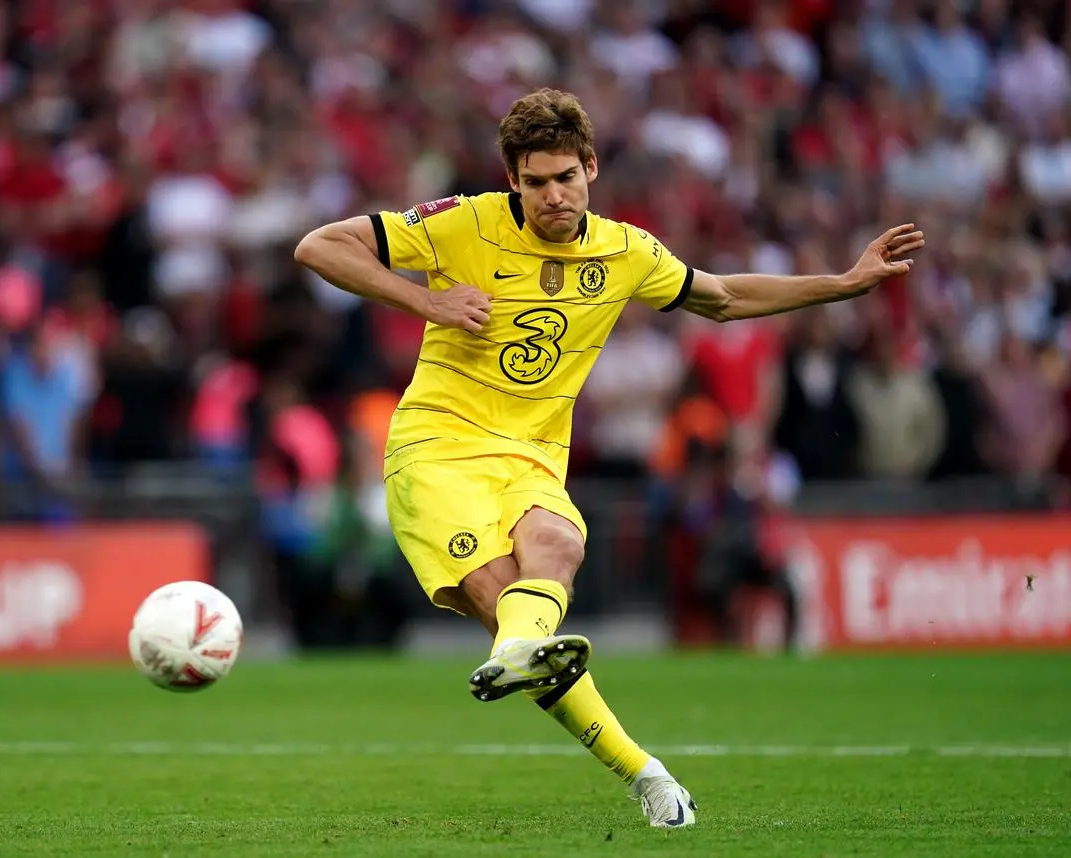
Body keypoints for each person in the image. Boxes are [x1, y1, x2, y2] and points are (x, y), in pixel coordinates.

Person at [293, 88, 924, 827]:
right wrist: (423, 301)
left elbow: (720, 297)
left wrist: (843, 284)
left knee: (558, 548)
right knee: (509, 608)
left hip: (530, 456)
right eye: (535, 183)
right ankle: (644, 771)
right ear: (513, 182)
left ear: (591, 168)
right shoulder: (464, 223)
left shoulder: (625, 251)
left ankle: (529, 658)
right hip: (436, 451)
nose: (552, 195)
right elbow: (319, 246)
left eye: (566, 177)